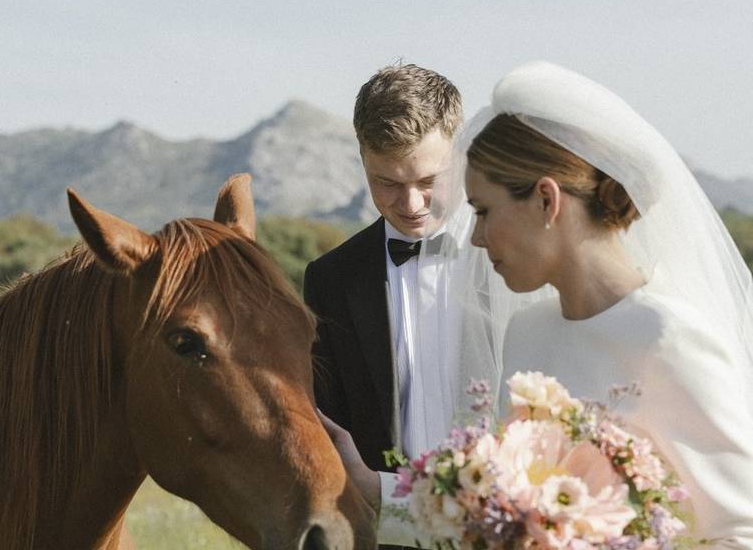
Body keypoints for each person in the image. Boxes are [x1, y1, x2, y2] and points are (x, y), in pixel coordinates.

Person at [325, 60, 753, 548]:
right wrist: (376, 490)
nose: (477, 237)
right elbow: (493, 513)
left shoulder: (668, 338)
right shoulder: (526, 333)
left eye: (484, 211)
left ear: (547, 201)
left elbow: (742, 531)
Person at [305, 63, 508, 547]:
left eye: (427, 179)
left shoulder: (513, 257)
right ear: (362, 160)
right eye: (387, 183)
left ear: (459, 154)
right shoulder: (330, 279)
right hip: (387, 535)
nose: (411, 202)